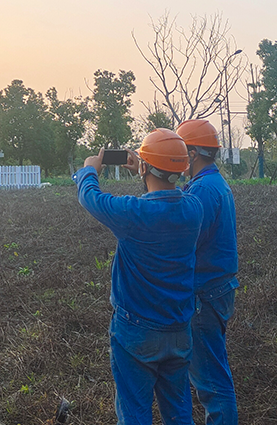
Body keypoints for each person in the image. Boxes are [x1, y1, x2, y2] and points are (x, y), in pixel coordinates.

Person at [72, 129, 202, 425]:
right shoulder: (194, 209)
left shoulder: (134, 214)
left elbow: (90, 197)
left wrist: (89, 169)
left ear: (144, 167)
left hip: (136, 332)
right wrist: (145, 170)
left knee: (135, 413)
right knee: (179, 412)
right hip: (179, 329)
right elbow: (167, 196)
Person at [176, 119, 239, 425]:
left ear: (193, 153)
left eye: (179, 152)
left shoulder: (202, 190)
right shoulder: (215, 183)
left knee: (212, 383)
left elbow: (185, 240)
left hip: (204, 294)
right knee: (215, 371)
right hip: (217, 290)